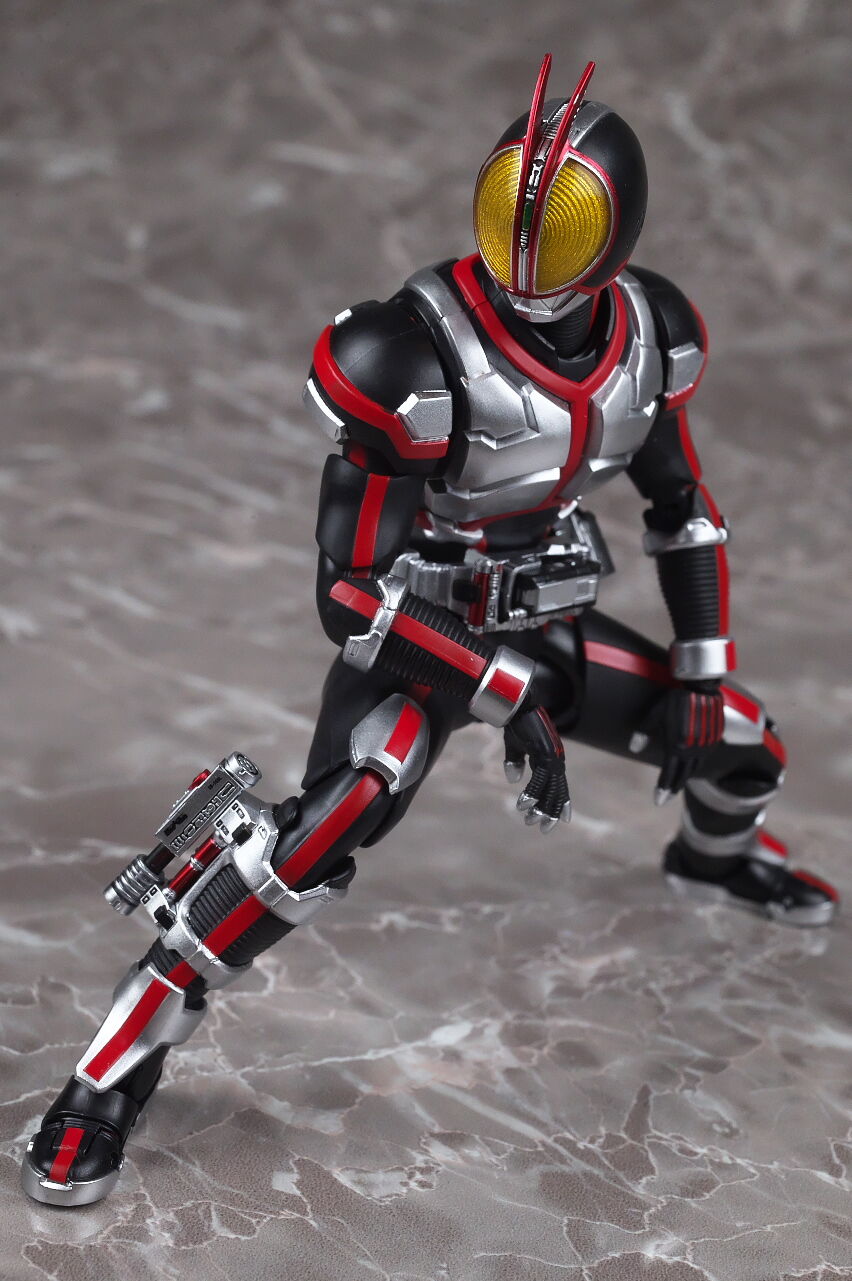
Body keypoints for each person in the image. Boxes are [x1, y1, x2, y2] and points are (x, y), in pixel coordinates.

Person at [22, 55, 837, 1207]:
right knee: (319, 828)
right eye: (513, 217)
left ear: (614, 229)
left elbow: (681, 508)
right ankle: (105, 1080)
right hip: (421, 641)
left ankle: (711, 858)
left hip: (546, 620)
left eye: (560, 225)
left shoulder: (651, 333)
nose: (529, 253)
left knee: (742, 741)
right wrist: (505, 694)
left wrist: (702, 667)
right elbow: (349, 597)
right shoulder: (409, 355)